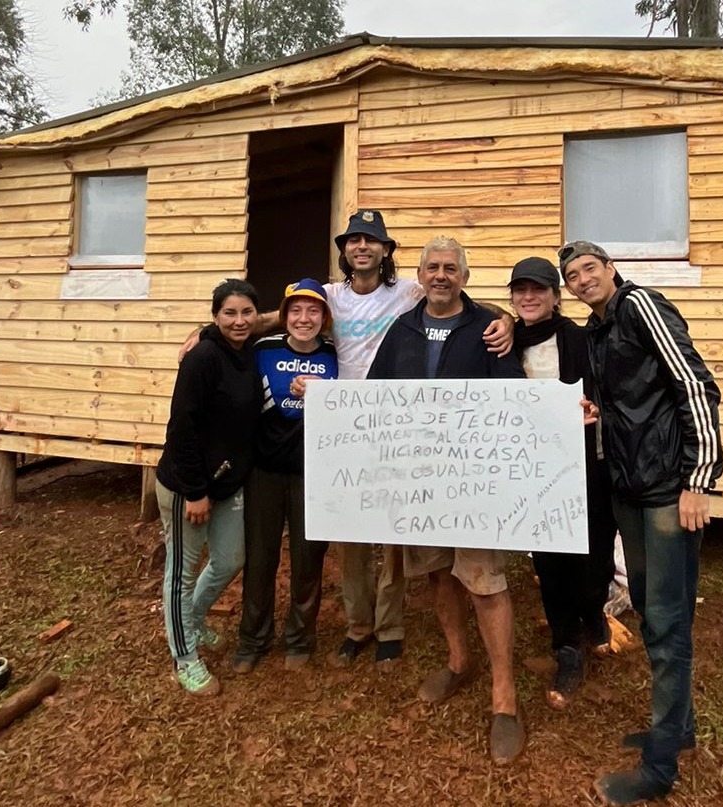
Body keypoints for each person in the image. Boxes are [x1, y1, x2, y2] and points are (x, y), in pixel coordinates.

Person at [178, 210, 513, 671]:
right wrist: (209, 330)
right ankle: (358, 626)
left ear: (385, 251)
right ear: (344, 251)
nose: (362, 247)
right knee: (350, 539)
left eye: (371, 240)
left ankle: (390, 629)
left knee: (394, 539)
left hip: (394, 424)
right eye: (353, 240)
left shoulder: (410, 291)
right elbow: (282, 315)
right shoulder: (330, 296)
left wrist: (509, 318)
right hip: (341, 427)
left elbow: (464, 302)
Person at [559, 241, 723, 806]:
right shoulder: (598, 331)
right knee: (655, 611)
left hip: (666, 492)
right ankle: (678, 729)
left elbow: (694, 385)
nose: (582, 280)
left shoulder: (640, 306)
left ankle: (659, 768)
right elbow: (636, 401)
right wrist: (597, 411)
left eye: (589, 269)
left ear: (610, 269)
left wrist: (698, 478)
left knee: (670, 620)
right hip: (630, 487)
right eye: (572, 276)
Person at [366, 236, 528, 765]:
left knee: (484, 581)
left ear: (464, 274)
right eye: (432, 267)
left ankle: (504, 698)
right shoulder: (403, 328)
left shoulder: (487, 328)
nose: (440, 275)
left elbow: (510, 396)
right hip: (419, 482)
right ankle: (460, 663)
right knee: (438, 574)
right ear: (419, 273)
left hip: (474, 482)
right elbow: (373, 395)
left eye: (450, 267)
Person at [508, 256, 617, 711]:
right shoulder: (503, 343)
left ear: (555, 297)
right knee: (551, 564)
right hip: (532, 472)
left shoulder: (582, 339)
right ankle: (566, 646)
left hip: (587, 465)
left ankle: (593, 612)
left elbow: (610, 391)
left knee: (593, 558)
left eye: (539, 289)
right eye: (520, 290)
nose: (529, 297)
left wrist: (596, 411)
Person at [156, 279, 260, 696]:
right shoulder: (202, 358)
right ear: (215, 316)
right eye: (229, 313)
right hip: (187, 485)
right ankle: (184, 656)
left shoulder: (249, 351)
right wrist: (195, 491)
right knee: (181, 573)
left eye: (246, 312)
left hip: (228, 482)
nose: (239, 321)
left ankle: (195, 620)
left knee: (231, 557)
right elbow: (181, 426)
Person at [232, 279, 339, 674]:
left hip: (315, 472)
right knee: (259, 557)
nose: (304, 318)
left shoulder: (336, 354)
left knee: (309, 558)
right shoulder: (263, 349)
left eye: (313, 311)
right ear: (284, 316)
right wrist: (199, 334)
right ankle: (253, 638)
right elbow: (227, 341)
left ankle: (300, 637)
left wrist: (325, 392)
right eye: (296, 310)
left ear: (325, 318)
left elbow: (352, 403)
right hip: (264, 470)